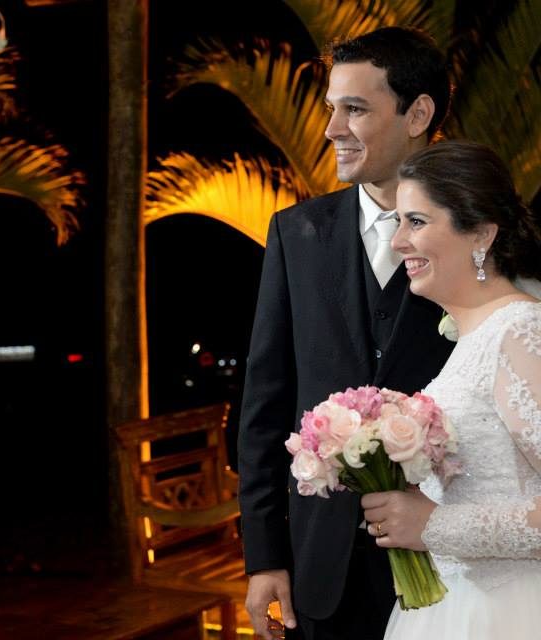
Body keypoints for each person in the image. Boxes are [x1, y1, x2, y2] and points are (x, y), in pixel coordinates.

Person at [238, 27, 454, 640]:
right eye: (331, 108)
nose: (332, 129)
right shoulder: (295, 233)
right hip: (322, 570)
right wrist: (264, 556)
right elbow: (265, 405)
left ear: (418, 114)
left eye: (354, 109)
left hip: (452, 564)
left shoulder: (482, 237)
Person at [361, 140, 541, 640]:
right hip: (452, 605)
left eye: (416, 222)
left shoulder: (519, 332)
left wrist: (435, 526)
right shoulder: (472, 335)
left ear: (481, 232)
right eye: (399, 222)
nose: (398, 242)